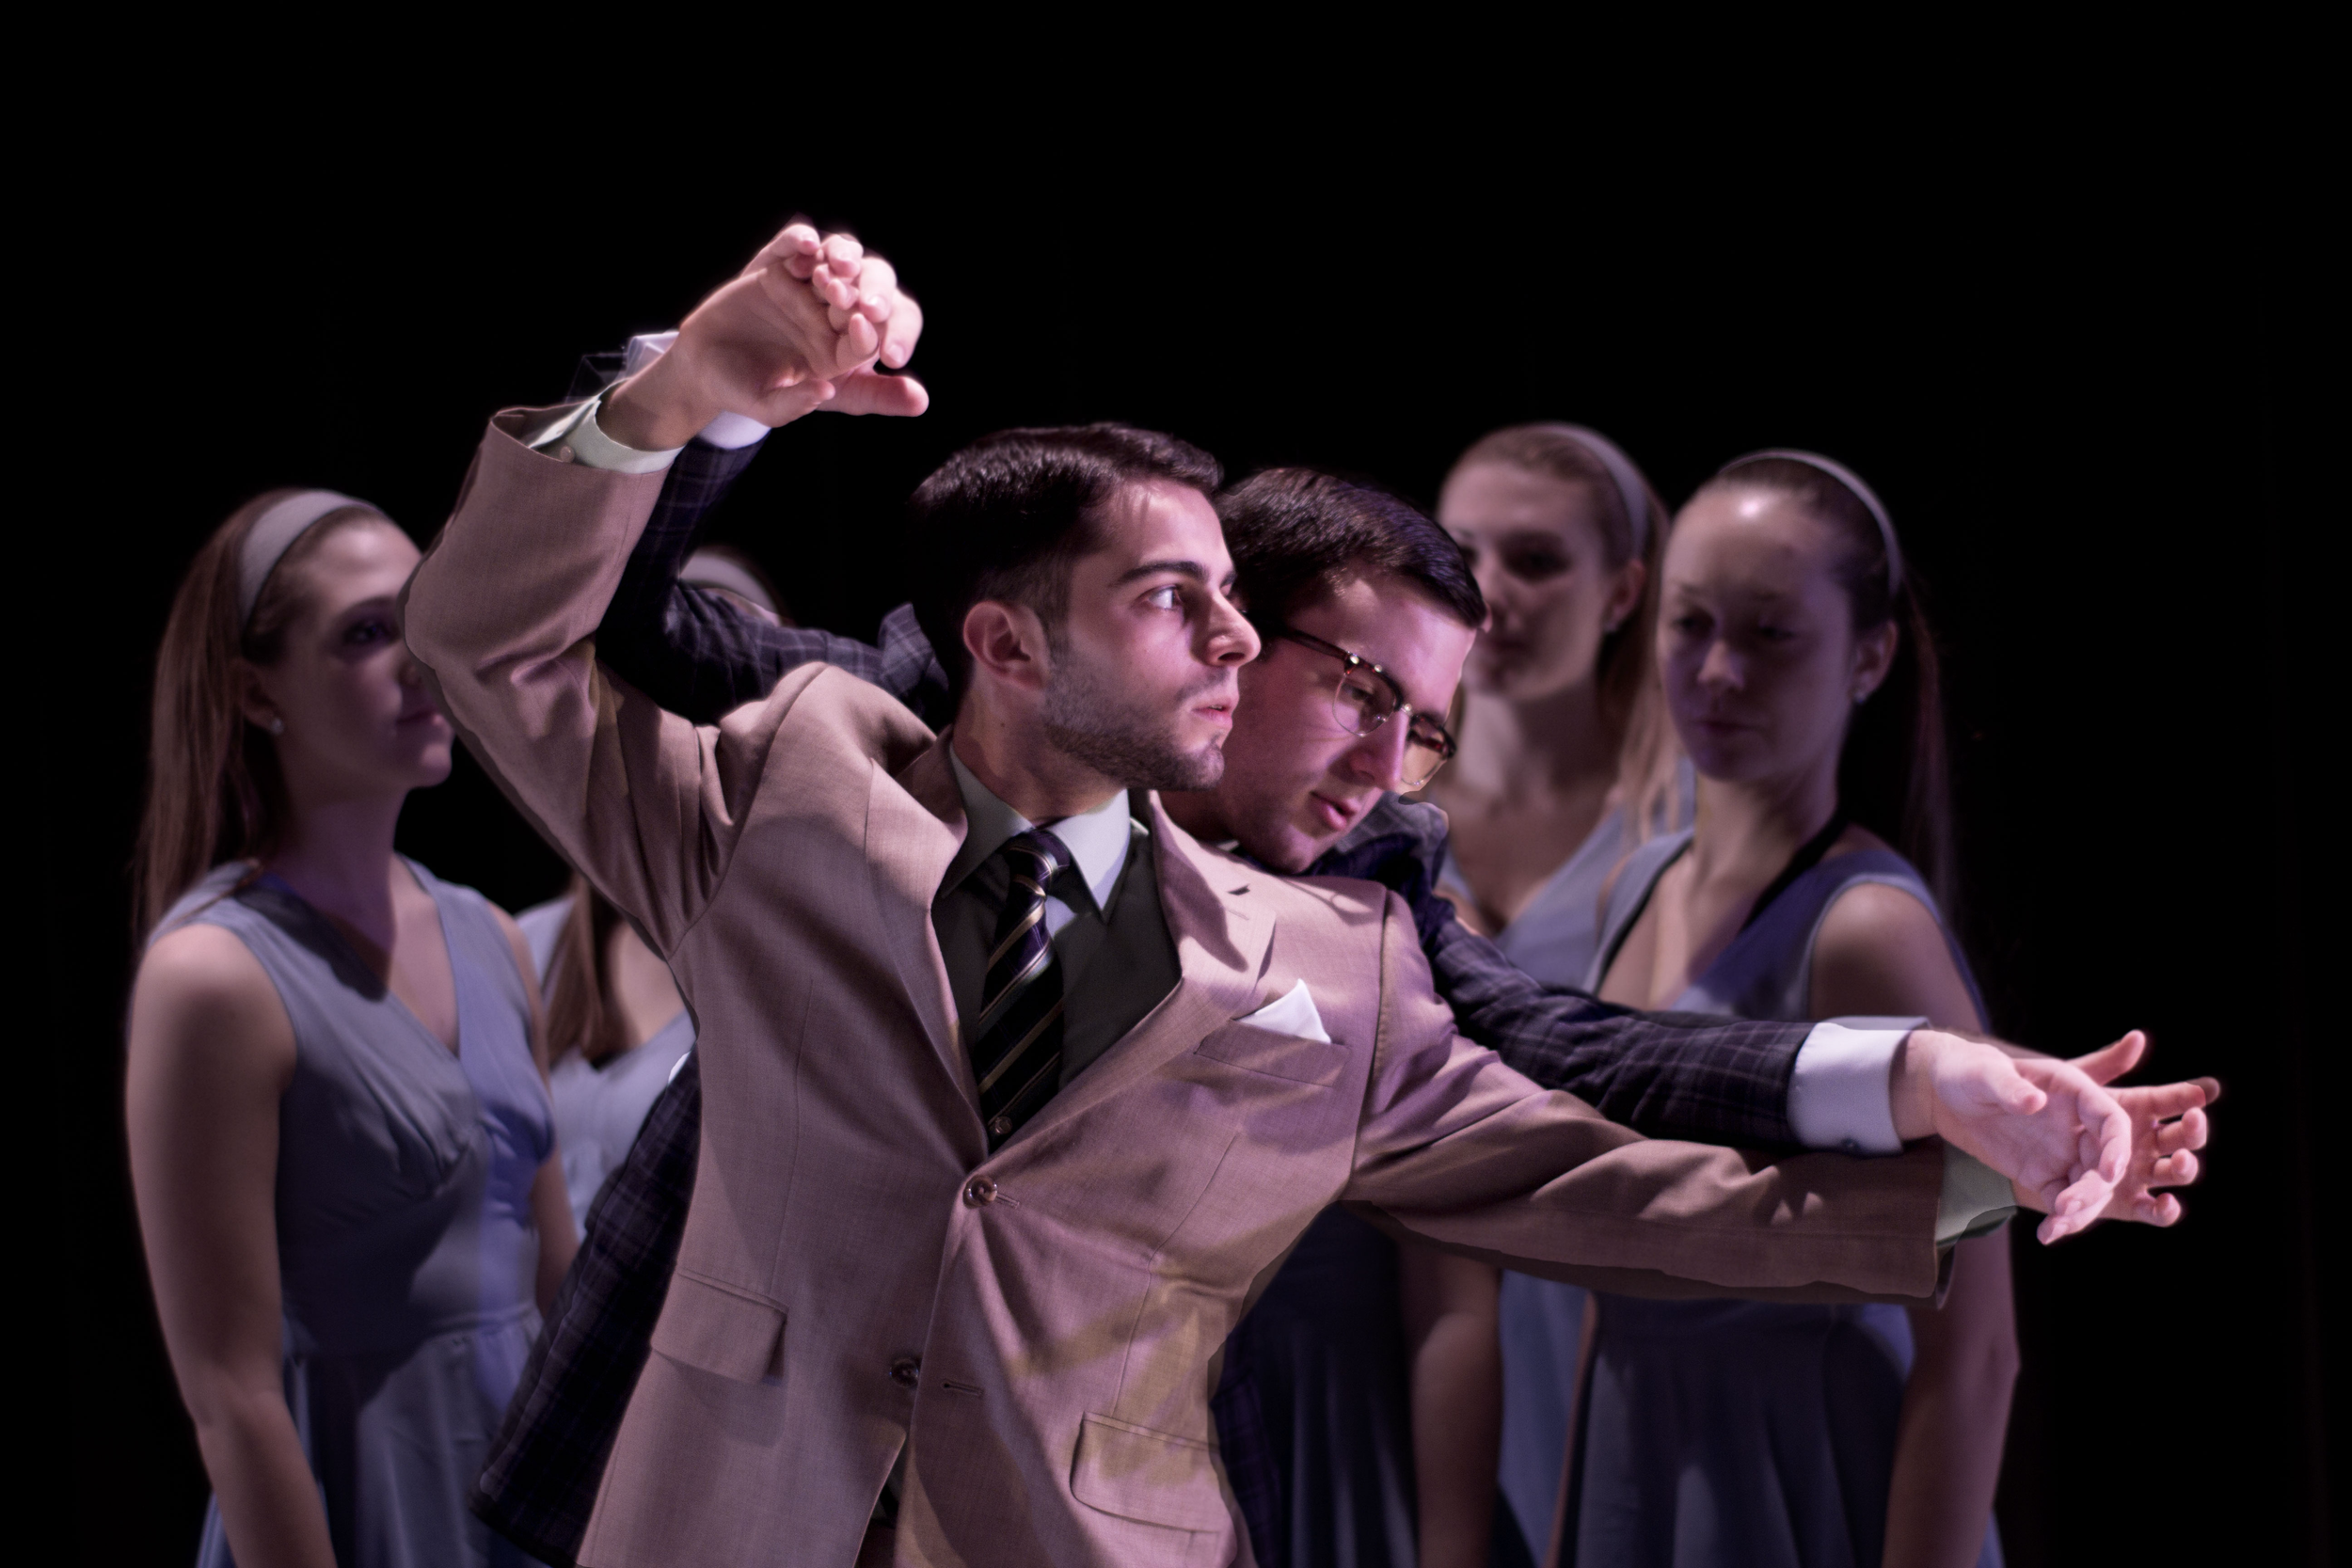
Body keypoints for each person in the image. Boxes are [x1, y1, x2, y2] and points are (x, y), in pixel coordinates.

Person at [410, 221, 2175, 1568]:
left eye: (1425, 727)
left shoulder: (1361, 926)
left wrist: (1952, 1132)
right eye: (1354, 686)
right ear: (1037, 637)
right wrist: (694, 390)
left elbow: (1602, 1134)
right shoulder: (830, 755)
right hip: (710, 1484)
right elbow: (547, 630)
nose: (1388, 759)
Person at [1566, 451, 2054, 1566]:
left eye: (1771, 633)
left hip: (1805, 1478)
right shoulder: (1632, 884)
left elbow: (1975, 1353)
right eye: (1690, 625)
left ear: (1868, 655)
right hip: (1638, 1461)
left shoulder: (1866, 931)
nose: (1719, 671)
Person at [125, 488, 579, 1568]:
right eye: (370, 633)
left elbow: (561, 1286)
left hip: (527, 1499)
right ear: (254, 690)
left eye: (425, 620)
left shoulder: (490, 935)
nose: (420, 662)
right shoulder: (215, 977)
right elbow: (228, 1387)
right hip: (361, 1505)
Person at [1419, 422, 1682, 1560]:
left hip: (1637, 1316)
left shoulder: (1686, 831)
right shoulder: (1362, 816)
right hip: (1414, 1330)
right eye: (1460, 553)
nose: (1489, 595)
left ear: (1624, 589)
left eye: (1535, 559)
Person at [517, 549, 783, 1228]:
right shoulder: (524, 948)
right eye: (665, 682)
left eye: (740, 683)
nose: (702, 721)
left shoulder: (809, 957)